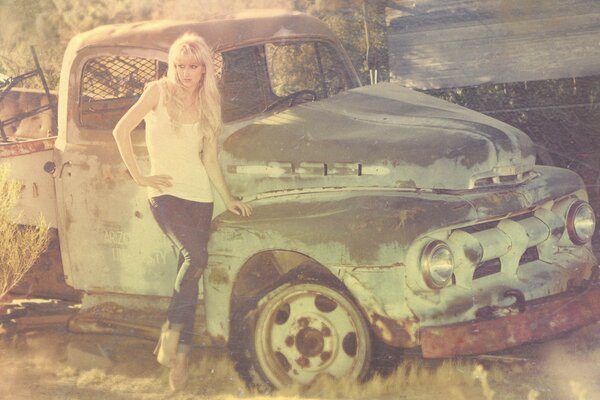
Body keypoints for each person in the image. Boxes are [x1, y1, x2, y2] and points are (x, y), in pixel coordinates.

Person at [112, 32, 251, 391]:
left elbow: (208, 158)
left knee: (190, 279)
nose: (185, 73)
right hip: (164, 194)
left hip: (199, 198)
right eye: (179, 65)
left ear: (204, 68)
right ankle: (170, 339)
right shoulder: (156, 92)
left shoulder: (209, 104)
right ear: (171, 65)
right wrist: (140, 175)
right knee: (196, 257)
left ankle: (179, 362)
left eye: (192, 66)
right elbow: (120, 130)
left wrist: (228, 197)